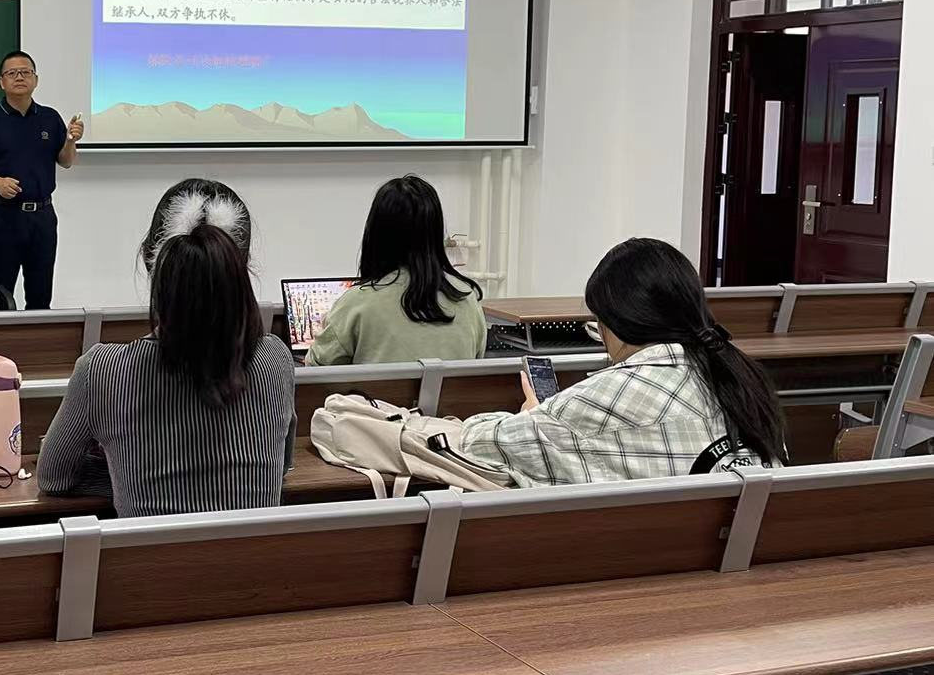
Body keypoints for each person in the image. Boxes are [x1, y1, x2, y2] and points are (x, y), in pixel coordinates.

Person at [38, 181, 294, 517]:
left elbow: (54, 478)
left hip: (145, 554)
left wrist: (129, 472)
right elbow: (282, 464)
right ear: (240, 266)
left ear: (151, 260)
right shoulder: (275, 359)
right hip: (256, 554)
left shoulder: (102, 371)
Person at [456, 237, 787, 487]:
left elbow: (476, 444)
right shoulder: (742, 377)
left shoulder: (610, 395)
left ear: (611, 324)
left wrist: (532, 415)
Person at [308, 175, 487, 366]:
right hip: (451, 388)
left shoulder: (357, 304)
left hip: (376, 388)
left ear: (375, 234)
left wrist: (329, 325)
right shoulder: (467, 301)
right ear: (435, 234)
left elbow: (316, 370)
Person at [0, 51, 83, 310]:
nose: (19, 77)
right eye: (12, 73)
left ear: (35, 80)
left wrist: (71, 141)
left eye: (26, 72)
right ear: (1, 82)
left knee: (41, 293)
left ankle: (37, 336)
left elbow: (65, 161)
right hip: (4, 216)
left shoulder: (50, 118)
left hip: (43, 216)